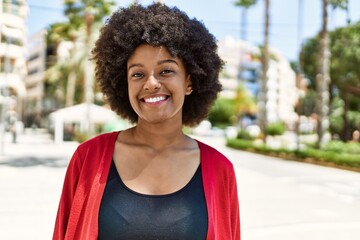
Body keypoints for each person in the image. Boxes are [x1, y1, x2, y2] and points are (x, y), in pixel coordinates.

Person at [53, 3, 240, 240]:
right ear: (125, 84)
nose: (151, 83)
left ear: (189, 82)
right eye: (138, 74)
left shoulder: (220, 169)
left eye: (166, 71)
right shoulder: (88, 157)